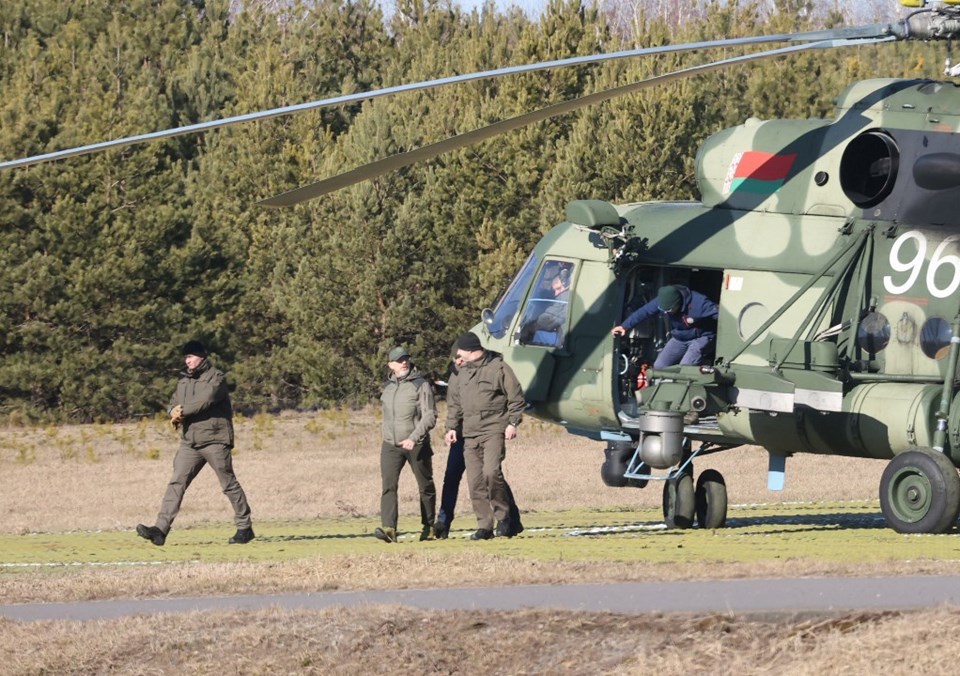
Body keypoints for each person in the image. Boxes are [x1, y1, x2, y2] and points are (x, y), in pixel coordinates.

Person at [136, 340, 253, 546]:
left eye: (190, 356)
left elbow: (205, 401)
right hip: (190, 441)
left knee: (228, 483)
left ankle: (245, 527)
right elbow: (173, 402)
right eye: (185, 357)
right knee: (176, 483)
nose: (186, 361)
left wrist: (182, 411)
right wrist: (172, 411)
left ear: (201, 356)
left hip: (215, 439)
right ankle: (160, 530)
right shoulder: (183, 381)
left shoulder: (216, 378)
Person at [435, 342, 523, 539]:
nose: (459, 361)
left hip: (491, 429)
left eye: (461, 356)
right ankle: (473, 525)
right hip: (464, 434)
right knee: (465, 479)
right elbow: (454, 405)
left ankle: (508, 518)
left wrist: (513, 422)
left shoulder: (496, 368)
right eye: (456, 358)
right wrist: (450, 428)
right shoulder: (459, 375)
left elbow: (515, 396)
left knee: (491, 473)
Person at [374, 346, 438, 543]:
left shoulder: (420, 385)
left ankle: (428, 526)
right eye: (399, 360)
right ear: (390, 365)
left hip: (416, 444)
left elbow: (430, 416)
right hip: (391, 445)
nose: (404, 362)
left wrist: (413, 437)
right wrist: (387, 436)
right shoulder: (388, 387)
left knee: (425, 486)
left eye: (406, 359)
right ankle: (389, 528)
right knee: (388, 486)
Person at [611, 285, 718, 368]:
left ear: (678, 303)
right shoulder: (662, 301)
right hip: (680, 336)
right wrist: (624, 326)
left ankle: (705, 365)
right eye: (663, 311)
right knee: (659, 366)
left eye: (669, 310)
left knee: (685, 367)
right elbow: (644, 312)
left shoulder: (700, 304)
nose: (666, 313)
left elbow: (722, 316)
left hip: (702, 337)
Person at [519, 268, 571, 345]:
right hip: (566, 336)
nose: (556, 293)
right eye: (554, 291)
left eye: (558, 288)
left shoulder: (564, 297)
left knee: (532, 337)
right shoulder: (568, 295)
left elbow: (546, 321)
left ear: (567, 284)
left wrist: (529, 327)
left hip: (564, 341)